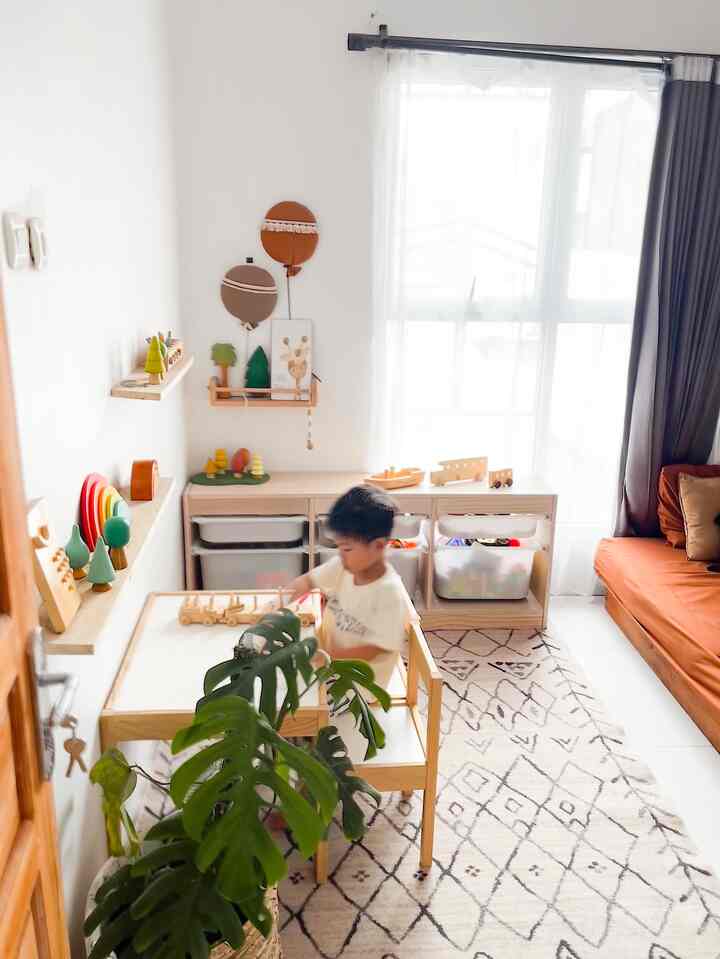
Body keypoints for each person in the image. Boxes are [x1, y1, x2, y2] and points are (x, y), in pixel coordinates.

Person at [288, 485, 410, 691]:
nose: (340, 554)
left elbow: (374, 650)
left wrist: (326, 657)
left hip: (357, 690)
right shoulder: (343, 566)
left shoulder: (389, 594)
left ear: (378, 546)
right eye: (339, 547)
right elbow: (306, 582)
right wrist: (279, 604)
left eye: (347, 548)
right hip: (327, 664)